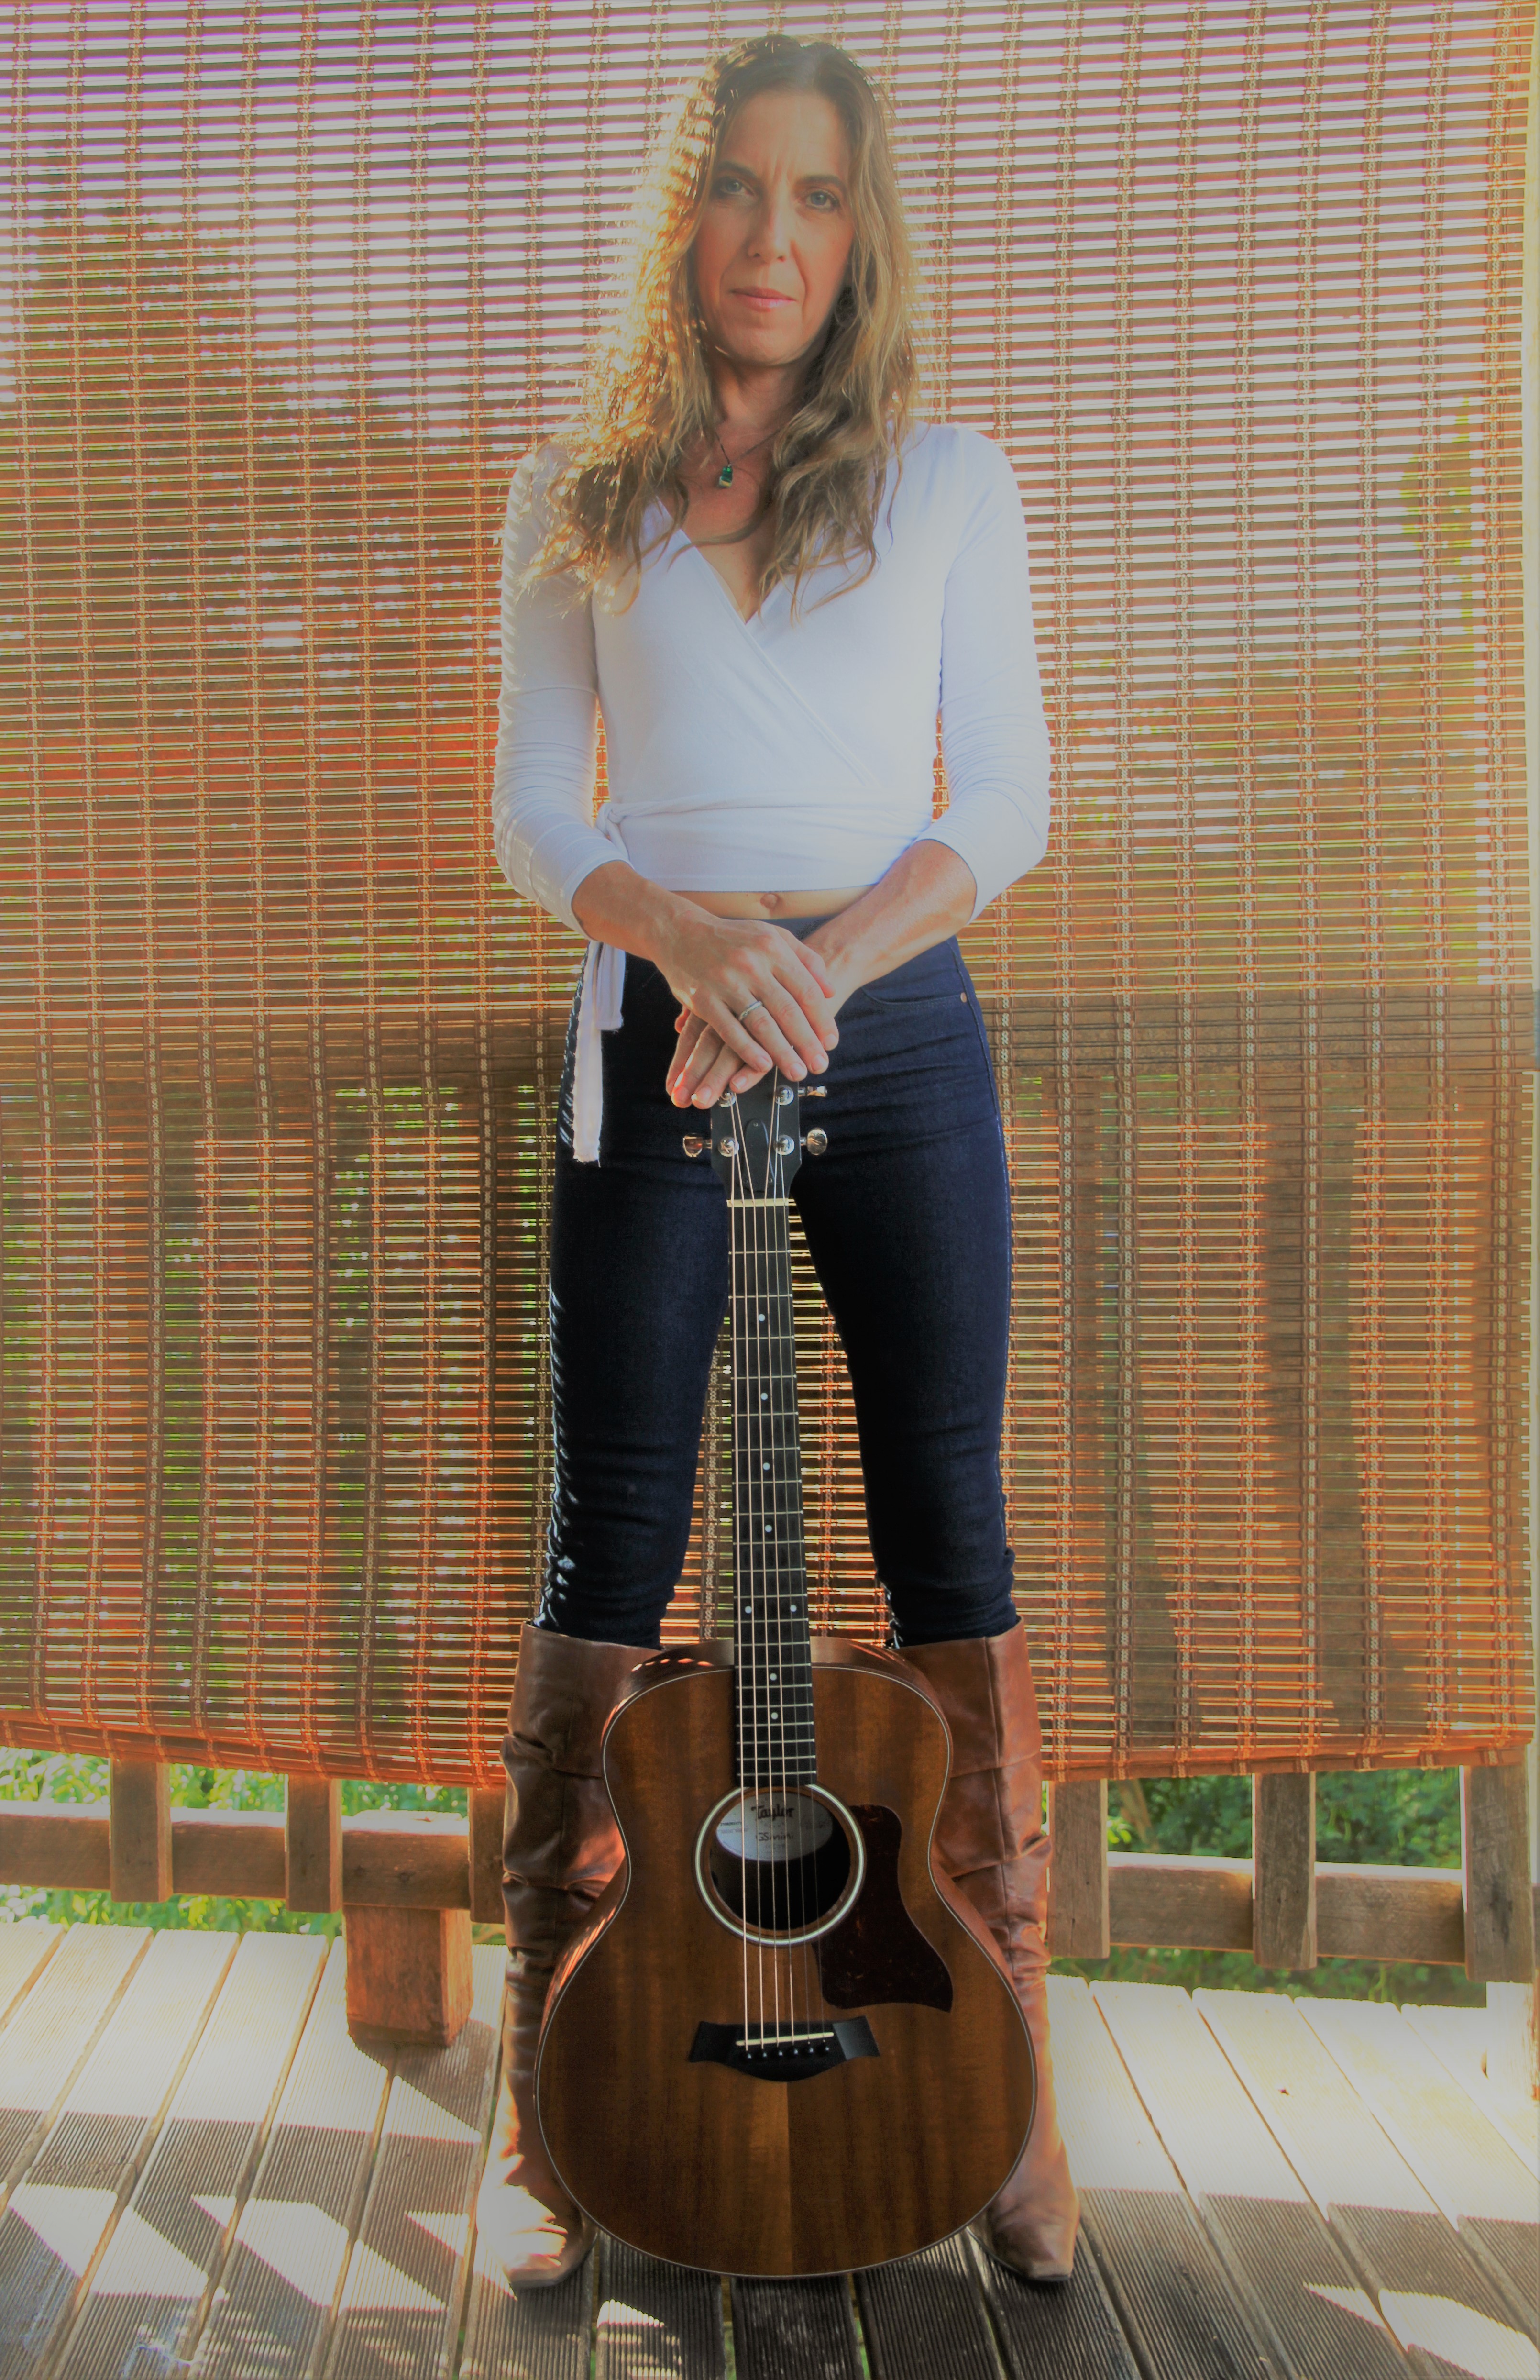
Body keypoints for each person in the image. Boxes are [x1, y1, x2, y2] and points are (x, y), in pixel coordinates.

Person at [481, 33, 1078, 2291]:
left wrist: (808, 968)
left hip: (890, 1029)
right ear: (685, 211)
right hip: (657, 1027)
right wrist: (697, 946)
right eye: (738, 184)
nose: (772, 232)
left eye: (817, 194)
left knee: (946, 1525)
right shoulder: (579, 487)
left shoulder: (948, 480)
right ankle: (555, 2101)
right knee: (614, 1527)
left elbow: (1001, 798)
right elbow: (537, 811)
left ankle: (1010, 2090)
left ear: (859, 229)